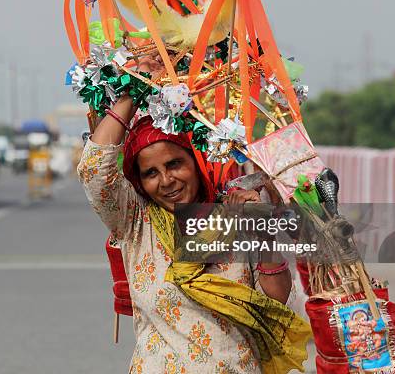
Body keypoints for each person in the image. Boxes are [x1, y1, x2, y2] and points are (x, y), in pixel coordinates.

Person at [77, 58, 311, 373]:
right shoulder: (136, 221)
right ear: (140, 182)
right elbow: (93, 170)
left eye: (174, 164)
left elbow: (275, 300)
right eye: (151, 173)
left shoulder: (237, 212)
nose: (166, 180)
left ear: (197, 164)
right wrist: (134, 88)